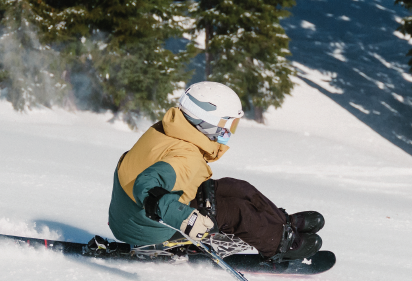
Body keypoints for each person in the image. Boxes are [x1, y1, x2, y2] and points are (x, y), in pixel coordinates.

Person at [108, 81, 323, 261]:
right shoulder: (186, 157)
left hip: (131, 212)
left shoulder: (171, 127)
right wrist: (186, 218)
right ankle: (280, 246)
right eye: (228, 124)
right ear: (208, 123)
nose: (230, 131)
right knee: (235, 211)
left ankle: (279, 223)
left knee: (237, 188)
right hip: (147, 226)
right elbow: (145, 185)